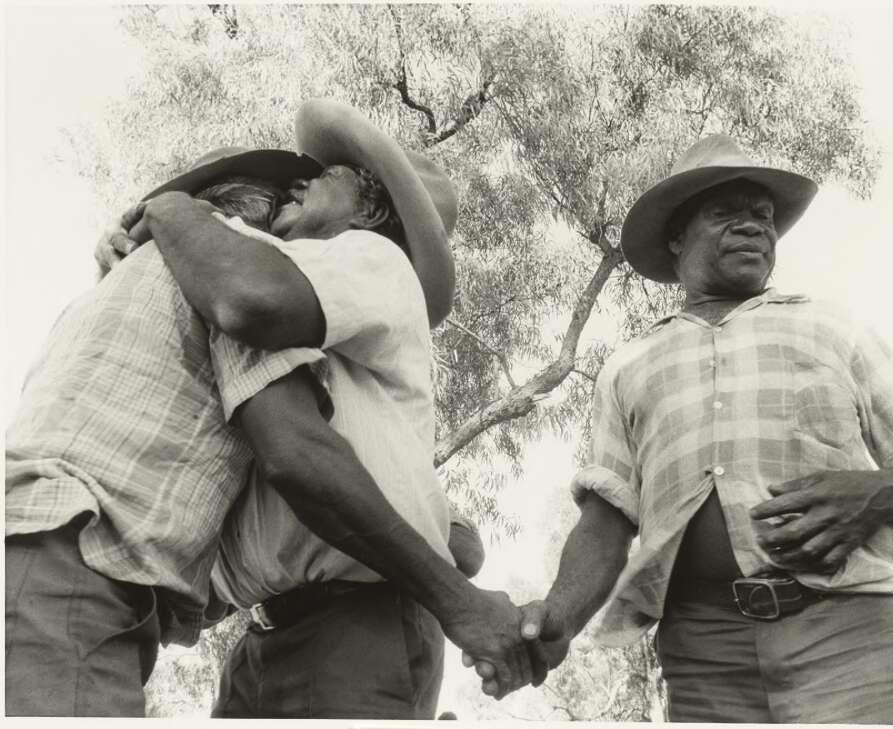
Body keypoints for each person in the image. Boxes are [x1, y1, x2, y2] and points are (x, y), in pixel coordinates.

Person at [6, 100, 531, 717]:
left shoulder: (345, 263)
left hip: (330, 623)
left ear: (373, 208)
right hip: (118, 581)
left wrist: (454, 587)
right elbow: (299, 449)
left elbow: (299, 443)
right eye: (280, 188)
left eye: (321, 177)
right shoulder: (224, 276)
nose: (299, 184)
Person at [471, 134, 893, 723]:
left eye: (762, 216)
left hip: (860, 635)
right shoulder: (629, 367)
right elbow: (608, 519)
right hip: (705, 657)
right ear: (678, 236)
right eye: (726, 213)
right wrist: (554, 620)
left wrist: (874, 493)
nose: (753, 226)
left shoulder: (832, 328)